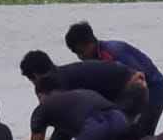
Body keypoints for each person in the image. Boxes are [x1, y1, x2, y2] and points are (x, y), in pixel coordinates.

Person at [66, 21, 163, 138]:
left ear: (90, 43)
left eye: (81, 52)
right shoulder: (94, 63)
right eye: (76, 54)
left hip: (154, 88)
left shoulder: (113, 52)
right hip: (132, 93)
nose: (80, 57)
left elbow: (140, 77)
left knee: (140, 133)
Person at [19, 50, 148, 124]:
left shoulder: (59, 84)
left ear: (36, 76)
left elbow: (64, 126)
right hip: (129, 84)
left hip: (132, 88)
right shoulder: (62, 75)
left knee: (113, 131)